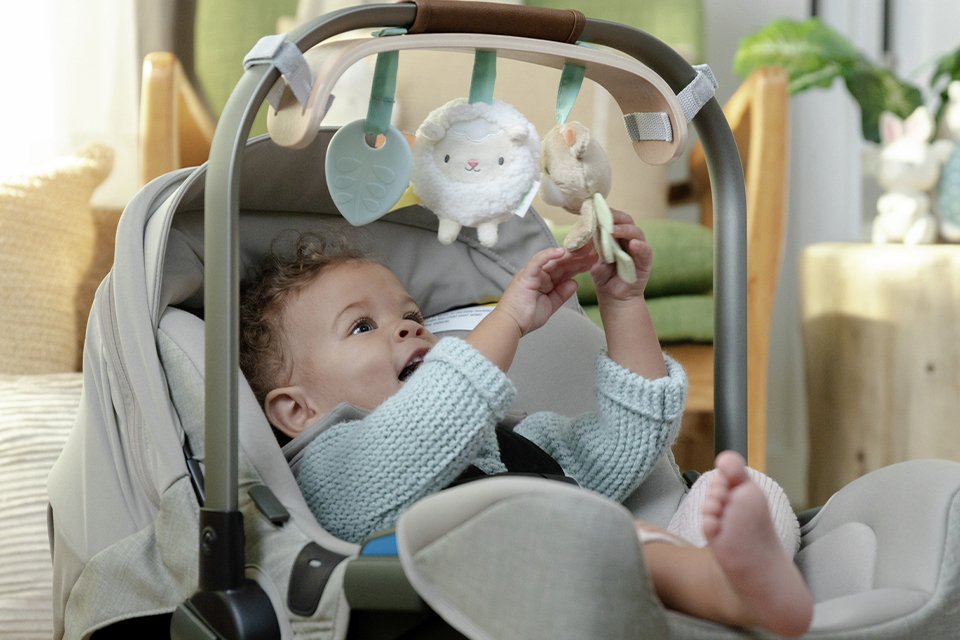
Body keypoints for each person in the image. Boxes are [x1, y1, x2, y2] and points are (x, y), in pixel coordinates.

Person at [239, 212, 813, 636]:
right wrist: (508, 317)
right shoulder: (330, 469)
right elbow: (431, 419)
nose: (409, 328)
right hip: (497, 606)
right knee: (586, 532)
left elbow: (627, 442)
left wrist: (622, 303)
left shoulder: (512, 442)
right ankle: (721, 591)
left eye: (412, 315)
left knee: (740, 489)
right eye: (362, 327)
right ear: (297, 411)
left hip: (605, 594)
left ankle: (726, 587)